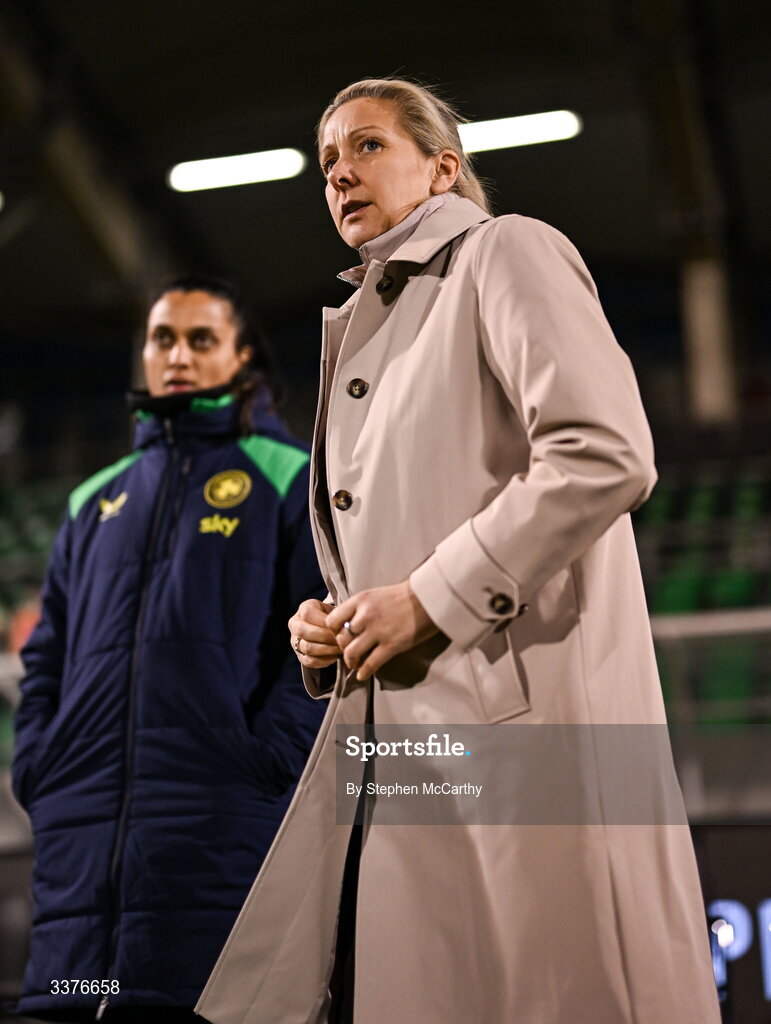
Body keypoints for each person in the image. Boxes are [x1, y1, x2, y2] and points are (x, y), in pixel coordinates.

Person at [195, 81, 721, 1024]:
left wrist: (429, 600)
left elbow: (604, 452)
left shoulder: (505, 249)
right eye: (325, 164)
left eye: (365, 147)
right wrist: (334, 625)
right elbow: (398, 543)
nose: (339, 174)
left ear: (442, 167)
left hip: (526, 734)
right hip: (411, 751)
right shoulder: (378, 324)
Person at [11, 275, 327, 1022]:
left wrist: (265, 761)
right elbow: (47, 655)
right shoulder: (95, 497)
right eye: (162, 338)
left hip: (218, 819)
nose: (177, 355)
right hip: (77, 824)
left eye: (200, 339)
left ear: (241, 357)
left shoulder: (290, 478)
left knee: (186, 1007)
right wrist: (41, 764)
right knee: (69, 1004)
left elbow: (317, 641)